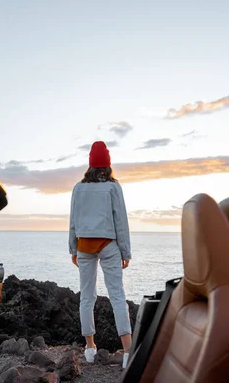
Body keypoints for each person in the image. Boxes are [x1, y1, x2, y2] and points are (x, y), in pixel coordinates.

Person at [69, 141, 133, 369]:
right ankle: (127, 351)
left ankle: (89, 349)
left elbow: (73, 221)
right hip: (108, 244)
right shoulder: (113, 187)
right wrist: (126, 251)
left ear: (90, 164)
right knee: (117, 295)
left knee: (86, 297)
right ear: (107, 164)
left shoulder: (78, 188)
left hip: (84, 245)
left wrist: (72, 249)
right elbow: (121, 222)